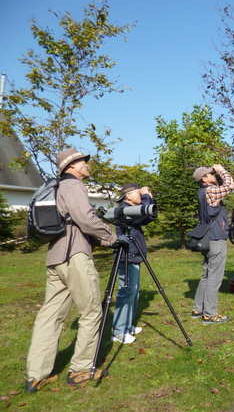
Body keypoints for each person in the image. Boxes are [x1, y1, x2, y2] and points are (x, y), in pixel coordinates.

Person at [26, 148, 121, 393]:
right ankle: (80, 369)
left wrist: (103, 240)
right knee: (91, 311)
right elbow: (85, 218)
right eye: (82, 162)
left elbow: (73, 225)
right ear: (70, 167)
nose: (87, 165)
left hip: (55, 256)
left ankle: (36, 375)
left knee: (50, 316)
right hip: (74, 256)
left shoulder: (57, 187)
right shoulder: (74, 186)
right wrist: (112, 236)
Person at [110, 183, 156, 344]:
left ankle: (127, 326)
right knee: (126, 292)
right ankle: (119, 332)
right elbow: (144, 212)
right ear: (128, 195)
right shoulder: (125, 210)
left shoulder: (132, 210)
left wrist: (148, 197)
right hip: (127, 255)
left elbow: (149, 216)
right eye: (138, 193)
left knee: (133, 293)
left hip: (134, 255)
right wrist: (147, 197)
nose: (141, 195)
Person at [191, 164, 234, 324]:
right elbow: (230, 185)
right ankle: (209, 314)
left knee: (206, 275)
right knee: (214, 278)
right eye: (211, 173)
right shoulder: (210, 190)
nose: (214, 174)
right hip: (215, 239)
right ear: (204, 178)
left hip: (206, 238)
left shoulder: (201, 192)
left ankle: (198, 309)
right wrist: (222, 169)